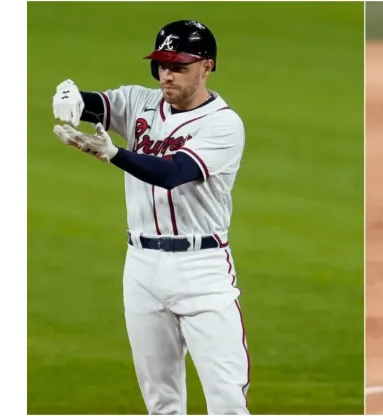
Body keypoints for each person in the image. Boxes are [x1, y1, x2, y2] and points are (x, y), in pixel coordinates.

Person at [51, 20, 250, 415]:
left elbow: (172, 174)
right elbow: (98, 104)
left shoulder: (224, 124)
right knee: (161, 403)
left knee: (227, 401)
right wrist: (72, 98)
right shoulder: (140, 102)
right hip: (141, 267)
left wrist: (113, 154)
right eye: (161, 64)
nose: (167, 75)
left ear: (206, 66)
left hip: (202, 269)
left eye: (178, 65)